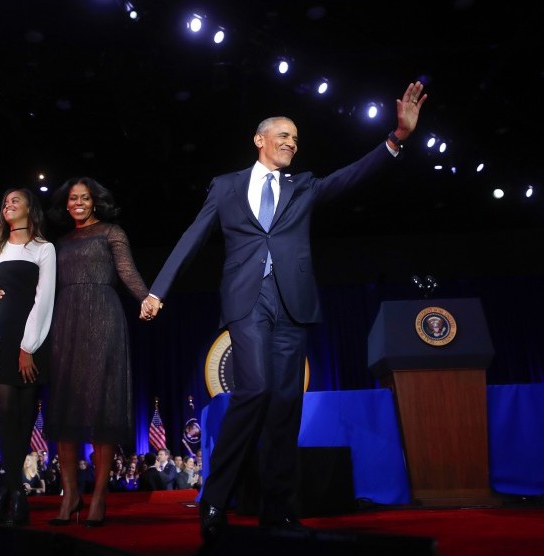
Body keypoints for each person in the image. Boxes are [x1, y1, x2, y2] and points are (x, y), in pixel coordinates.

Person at [140, 81, 427, 546]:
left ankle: (280, 510)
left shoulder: (304, 186)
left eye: (296, 138)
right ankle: (215, 500)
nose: (292, 142)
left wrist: (396, 139)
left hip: (293, 304)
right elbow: (193, 235)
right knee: (254, 389)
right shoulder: (228, 186)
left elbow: (351, 177)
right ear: (260, 140)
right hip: (248, 301)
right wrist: (159, 290)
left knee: (285, 407)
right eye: (284, 135)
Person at [43, 177, 149, 528]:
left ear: (95, 202)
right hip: (65, 322)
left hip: (103, 319)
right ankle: (71, 494)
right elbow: (44, 286)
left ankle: (99, 497)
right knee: (65, 409)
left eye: (84, 198)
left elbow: (127, 271)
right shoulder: (60, 243)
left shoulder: (110, 232)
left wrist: (147, 297)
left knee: (102, 408)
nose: (78, 203)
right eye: (72, 198)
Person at [0, 187, 55, 526]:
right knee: (5, 415)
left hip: (32, 340)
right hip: (1, 338)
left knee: (24, 419)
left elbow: (45, 298)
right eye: (5, 201)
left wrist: (29, 346)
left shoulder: (44, 249)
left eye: (15, 200)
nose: (8, 204)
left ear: (29, 209)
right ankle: (16, 493)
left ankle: (9, 493)